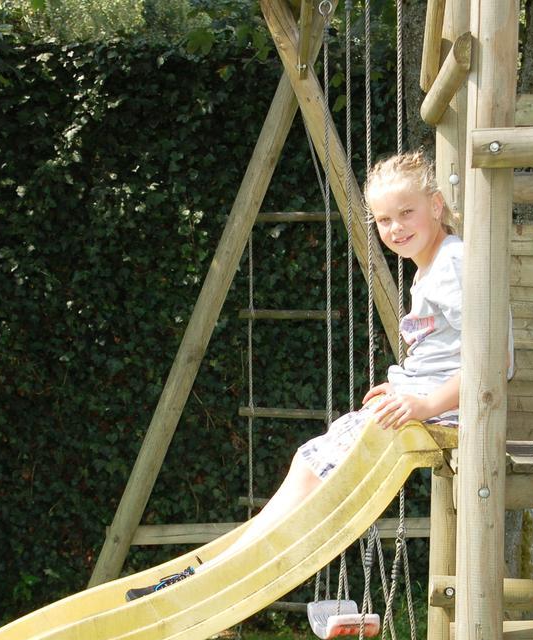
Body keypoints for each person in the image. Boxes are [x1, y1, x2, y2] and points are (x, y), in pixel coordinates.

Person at [127, 151, 502, 602]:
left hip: (454, 411)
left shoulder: (452, 264)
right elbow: (447, 351)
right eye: (384, 220)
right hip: (433, 401)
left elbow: (493, 360)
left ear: (436, 206)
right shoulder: (432, 267)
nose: (396, 228)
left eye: (407, 212)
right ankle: (231, 559)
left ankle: (234, 566)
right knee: (311, 461)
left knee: (314, 466)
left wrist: (423, 403)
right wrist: (406, 386)